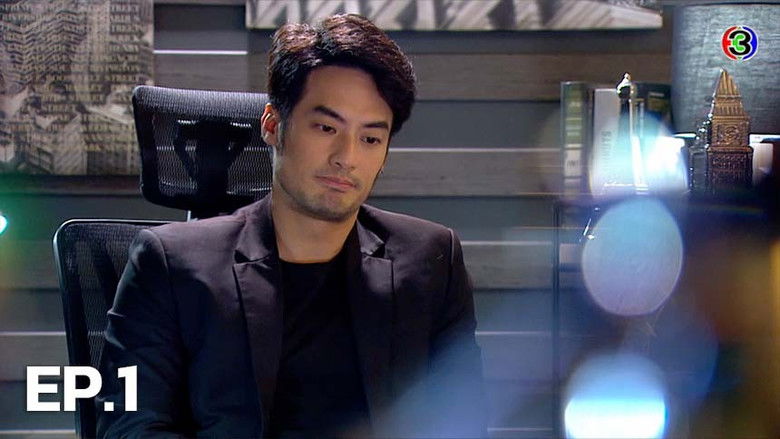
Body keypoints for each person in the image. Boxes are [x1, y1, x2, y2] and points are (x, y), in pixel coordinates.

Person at [97, 14, 486, 438]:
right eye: (326, 127)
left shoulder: (431, 259)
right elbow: (128, 427)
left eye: (371, 138)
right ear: (272, 125)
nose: (346, 157)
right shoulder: (170, 264)